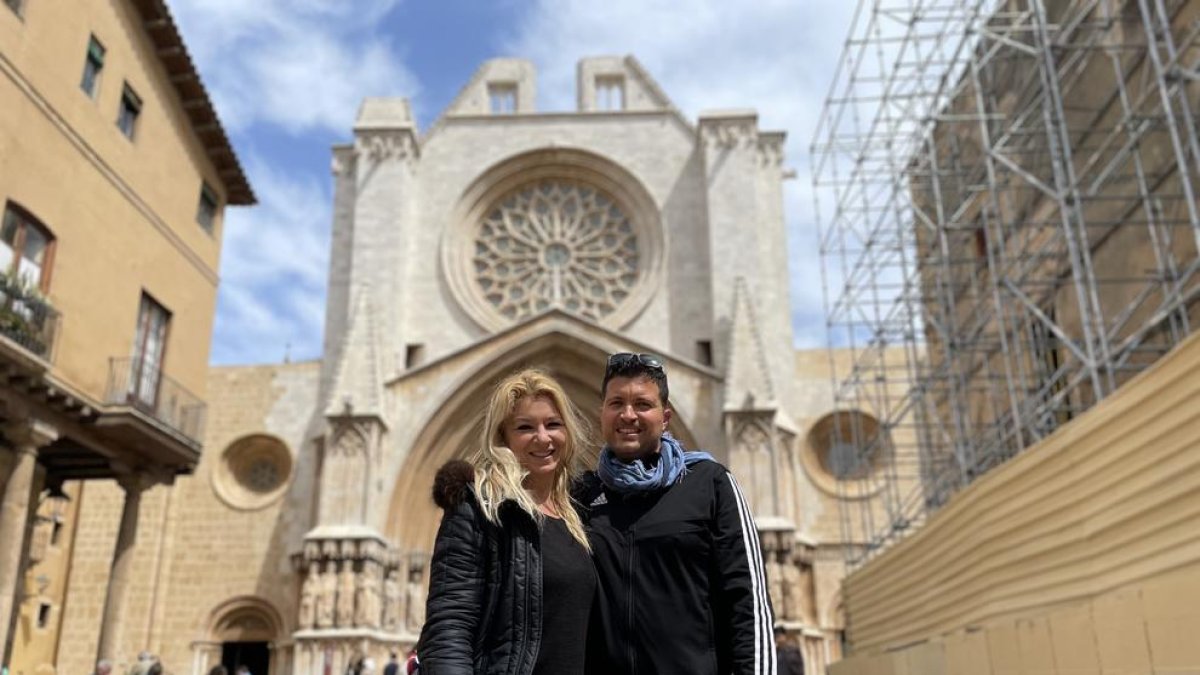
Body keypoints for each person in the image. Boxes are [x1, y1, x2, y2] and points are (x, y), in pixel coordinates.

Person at [577, 352, 776, 674]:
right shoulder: (583, 494)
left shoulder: (710, 482)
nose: (628, 415)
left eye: (642, 404)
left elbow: (748, 600)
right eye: (616, 404)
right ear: (602, 413)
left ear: (665, 417)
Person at [416, 369, 596, 674]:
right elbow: (450, 625)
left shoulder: (579, 513)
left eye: (553, 424)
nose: (543, 437)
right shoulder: (479, 506)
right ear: (503, 437)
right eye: (525, 427)